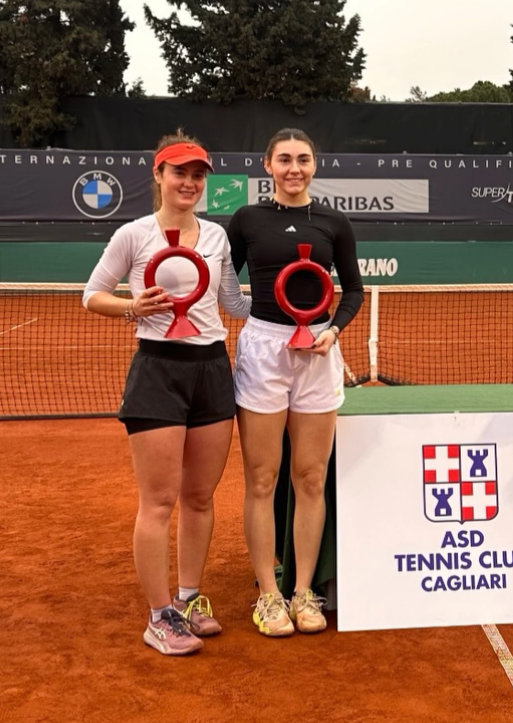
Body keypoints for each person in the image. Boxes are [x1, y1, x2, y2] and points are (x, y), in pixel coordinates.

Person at [82, 131, 251, 656]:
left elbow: (232, 304)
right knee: (158, 501)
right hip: (158, 370)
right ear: (158, 175)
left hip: (211, 369)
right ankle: (159, 617)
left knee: (200, 497)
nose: (190, 183)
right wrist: (133, 307)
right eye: (180, 172)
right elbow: (92, 295)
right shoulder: (133, 235)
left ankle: (188, 599)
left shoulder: (217, 237)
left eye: (198, 175)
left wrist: (295, 308)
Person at [228, 128, 364, 637]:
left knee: (310, 477)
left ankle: (304, 591)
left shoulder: (333, 221)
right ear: (267, 165)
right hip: (264, 351)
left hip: (318, 352)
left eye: (303, 159)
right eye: (284, 159)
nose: (294, 169)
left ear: (314, 165)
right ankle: (269, 594)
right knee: (262, 479)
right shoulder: (247, 219)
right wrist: (251, 316)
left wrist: (333, 330)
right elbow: (224, 279)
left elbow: (353, 289)